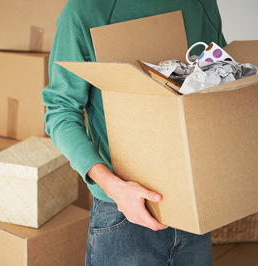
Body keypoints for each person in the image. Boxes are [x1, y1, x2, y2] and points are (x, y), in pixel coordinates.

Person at [42, 0, 226, 265]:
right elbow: (60, 110)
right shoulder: (85, 11)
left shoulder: (200, 3)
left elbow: (224, 83)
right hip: (124, 212)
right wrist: (114, 187)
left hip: (194, 205)